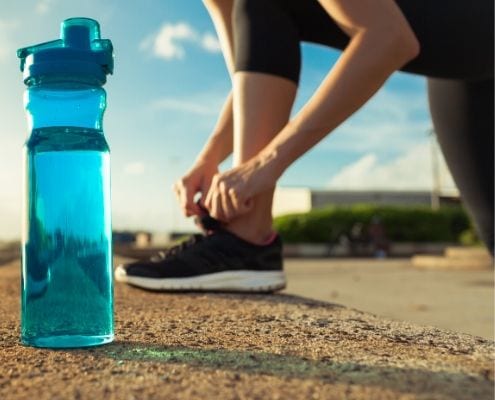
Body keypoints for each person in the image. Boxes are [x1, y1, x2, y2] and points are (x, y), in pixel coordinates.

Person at [115, 0, 494, 291]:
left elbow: (389, 38)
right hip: (459, 61)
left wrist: (265, 165)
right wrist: (210, 157)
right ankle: (246, 240)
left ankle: (247, 239)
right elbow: (252, 83)